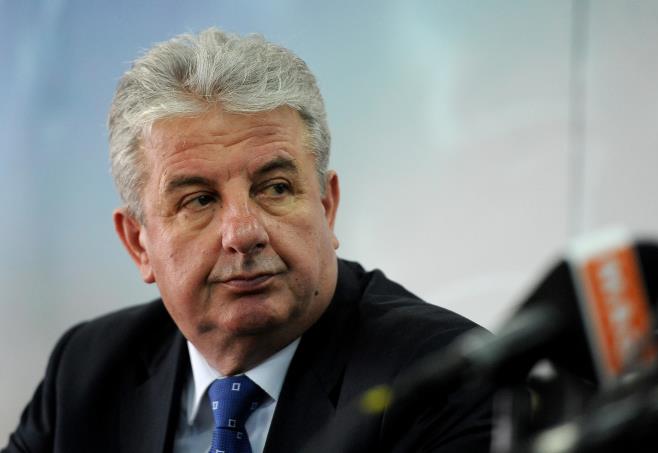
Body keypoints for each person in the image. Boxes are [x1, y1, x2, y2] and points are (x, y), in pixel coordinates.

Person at [2, 28, 493, 453]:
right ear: (138, 243)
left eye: (275, 188)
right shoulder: (87, 370)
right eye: (199, 200)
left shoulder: (445, 377)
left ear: (326, 206)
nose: (243, 233)